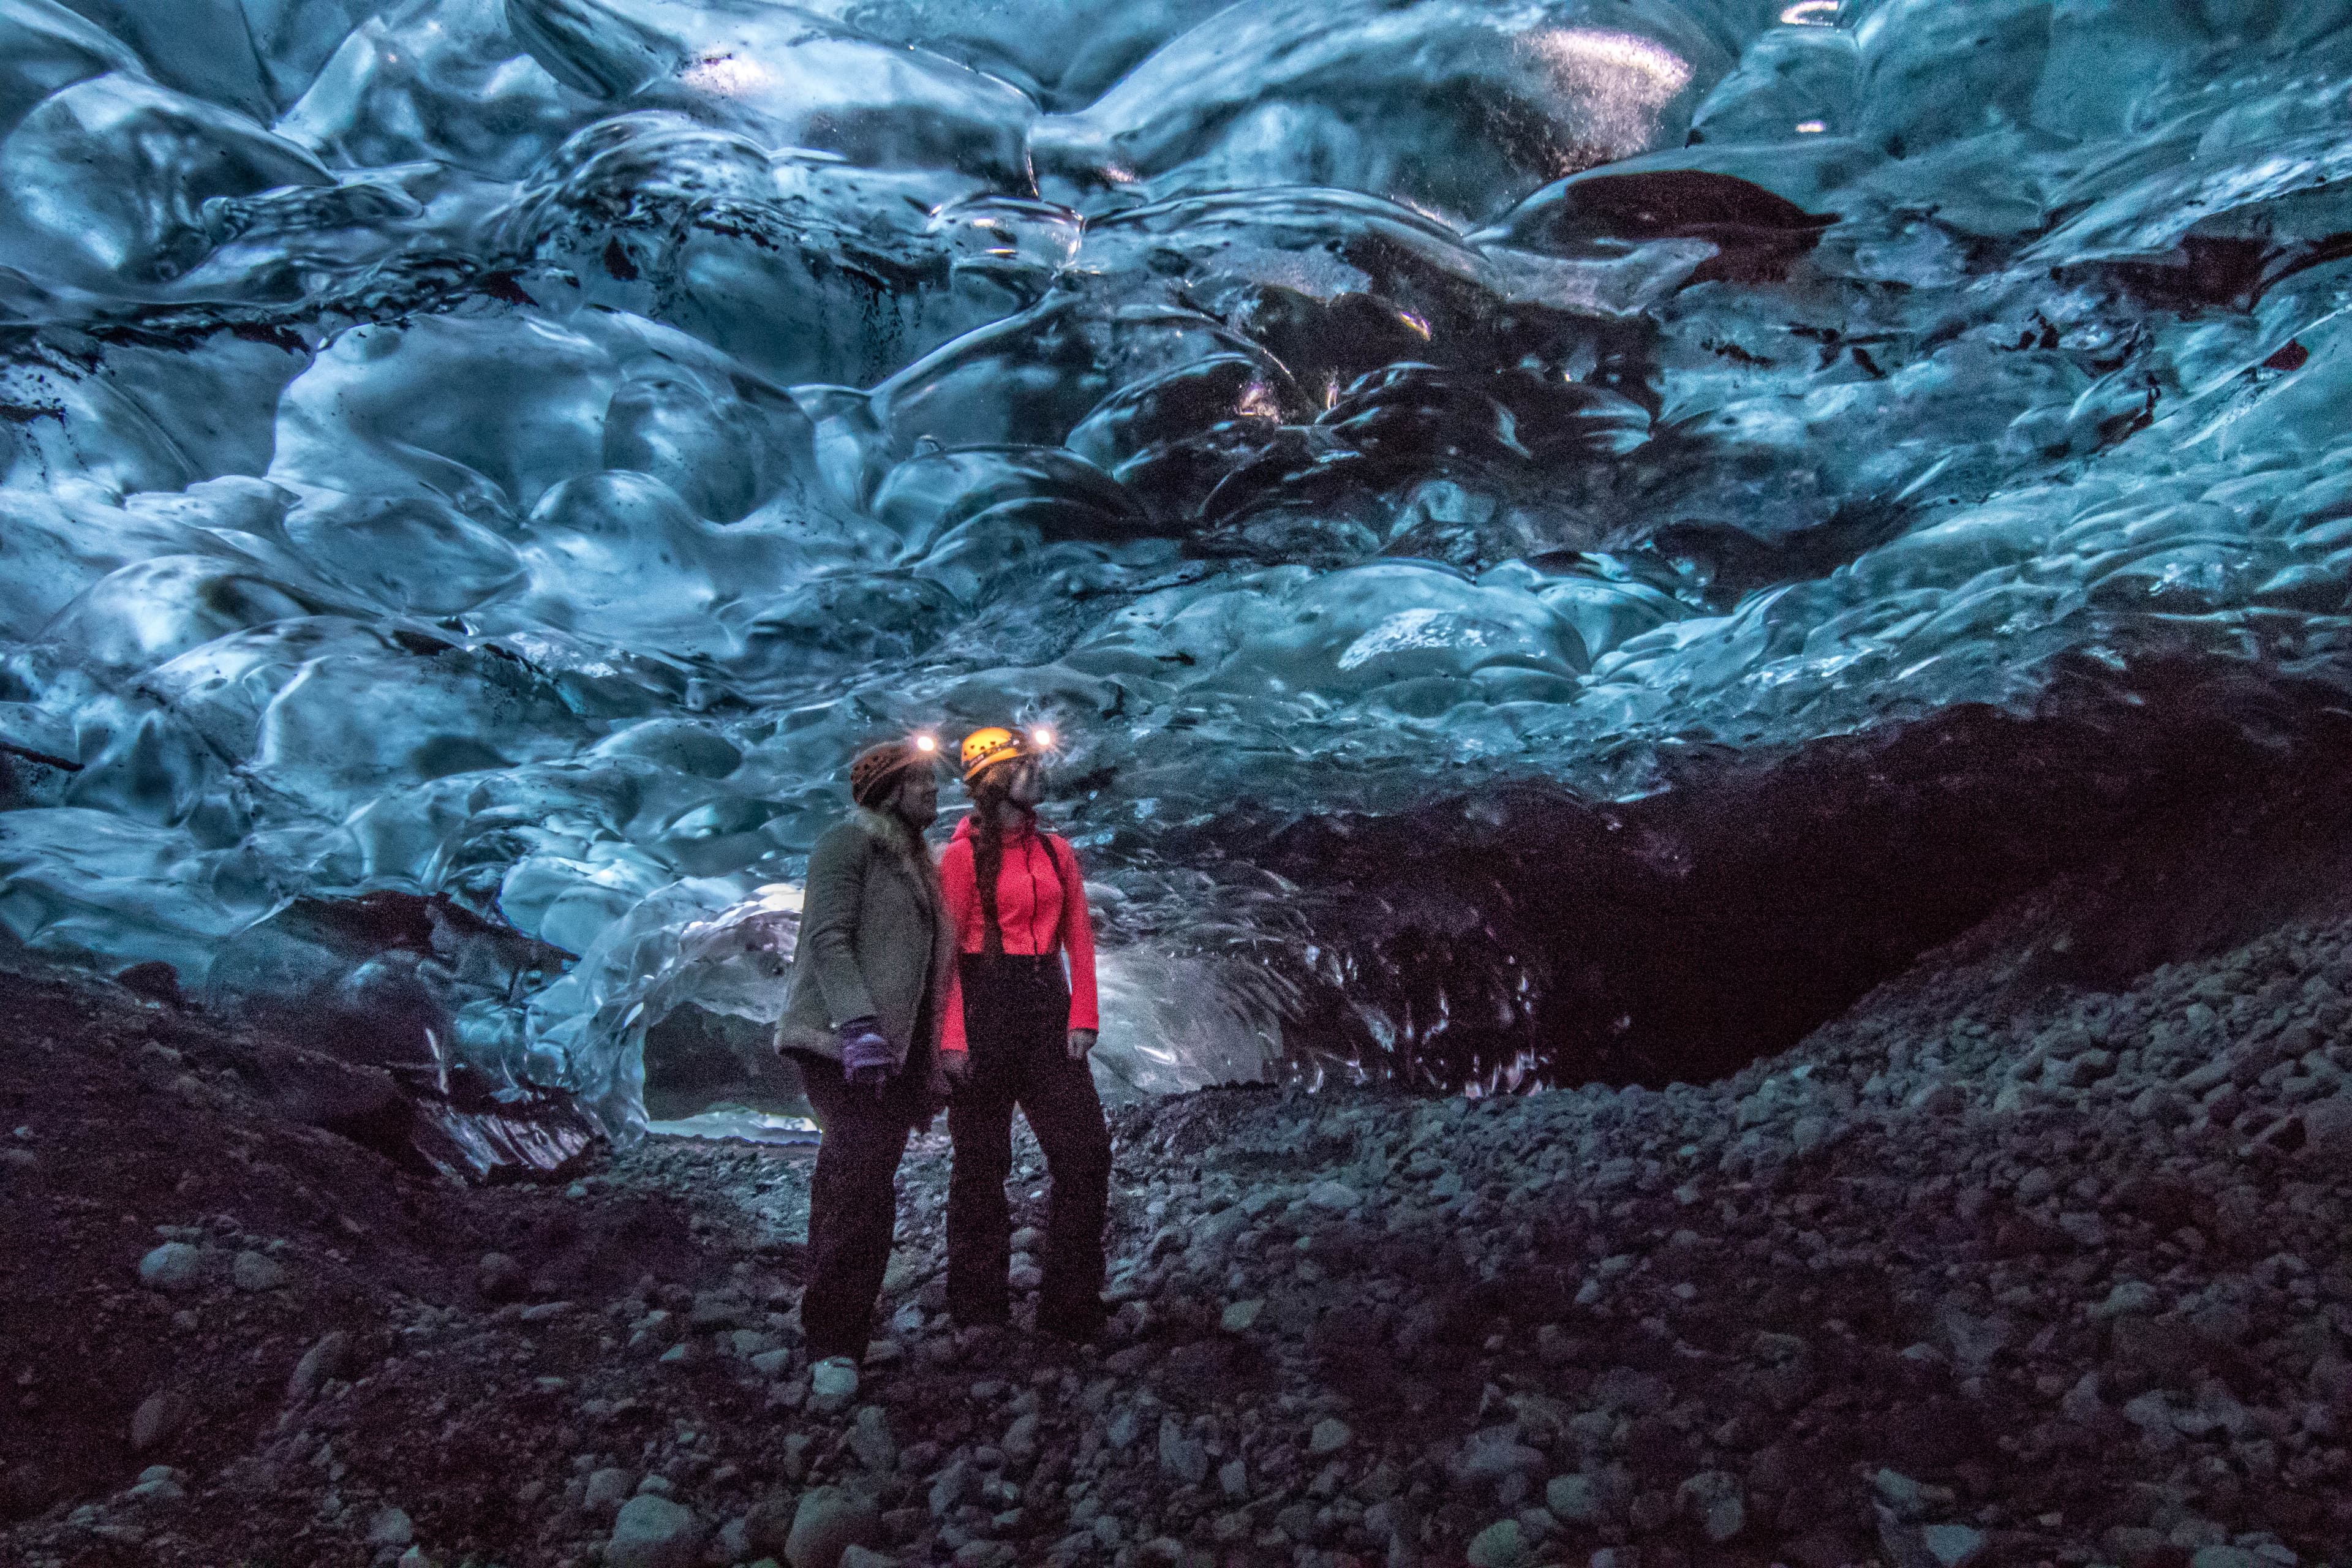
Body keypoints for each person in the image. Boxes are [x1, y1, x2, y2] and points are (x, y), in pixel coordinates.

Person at [774, 735, 956, 1368]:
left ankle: (835, 1322)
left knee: (861, 1183)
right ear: (890, 791)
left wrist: (923, 1058)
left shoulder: (916, 863)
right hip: (841, 1045)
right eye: (921, 781)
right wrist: (859, 1027)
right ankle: (833, 1341)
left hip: (891, 1054)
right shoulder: (847, 843)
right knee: (859, 1187)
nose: (934, 790)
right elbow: (828, 937)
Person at [937, 724, 1114, 1340]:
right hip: (984, 1007)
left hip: (1046, 1005)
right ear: (993, 781)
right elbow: (945, 959)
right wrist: (952, 1038)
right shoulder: (959, 859)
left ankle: (1070, 1306)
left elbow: (1079, 939)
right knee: (981, 1163)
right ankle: (977, 1306)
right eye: (1023, 765)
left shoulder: (1057, 851)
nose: (1037, 772)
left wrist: (1084, 1014)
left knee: (1085, 1153)